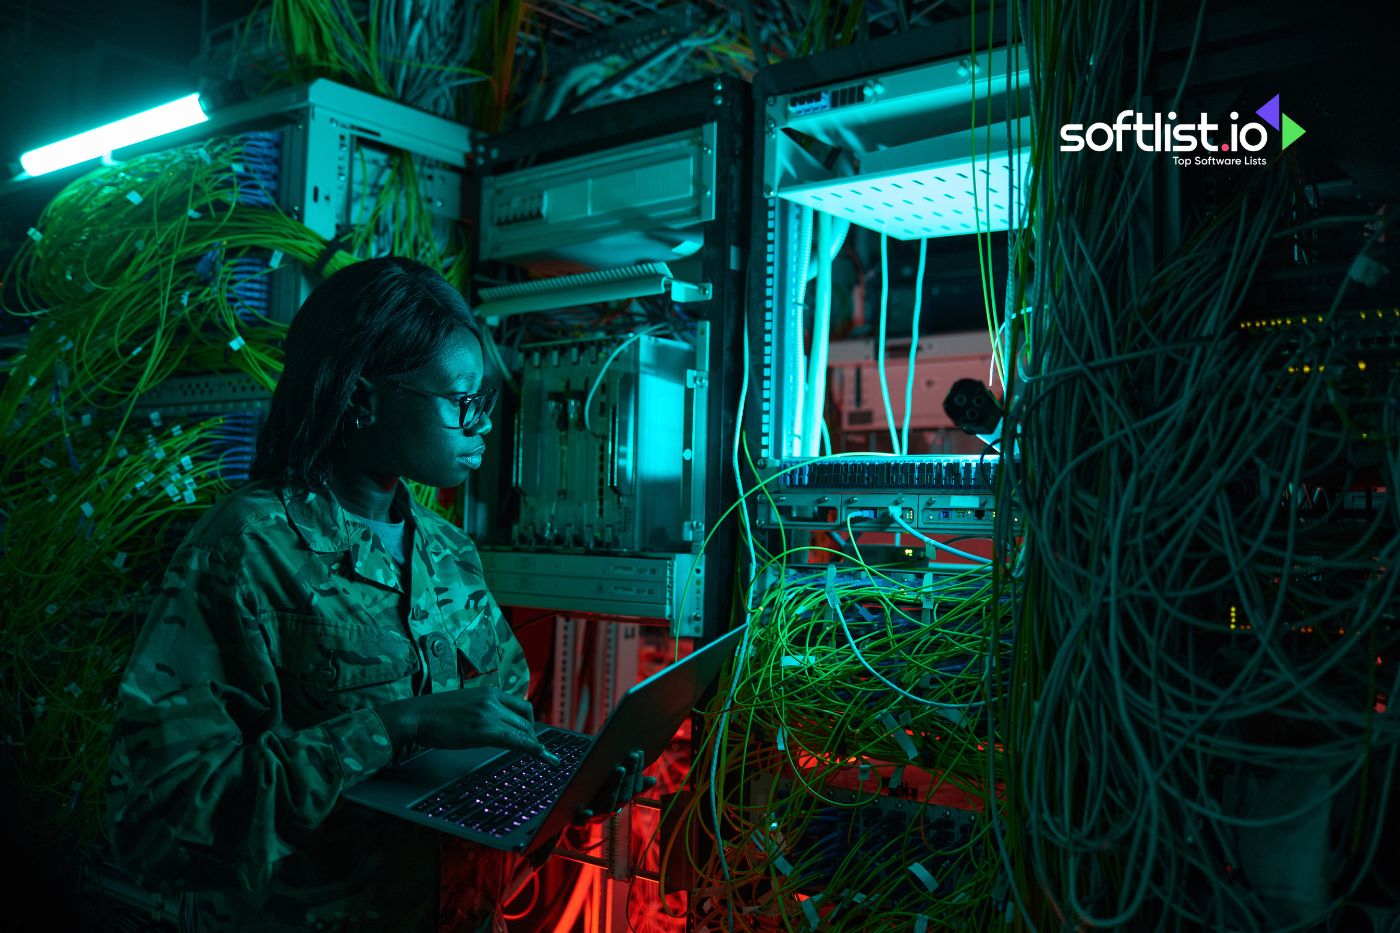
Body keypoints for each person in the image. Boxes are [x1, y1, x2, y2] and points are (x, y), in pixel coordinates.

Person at [106, 256, 652, 932]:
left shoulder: (448, 552)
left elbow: (496, 730)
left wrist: (568, 785)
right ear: (364, 397)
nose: (483, 424)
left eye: (486, 401)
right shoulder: (247, 548)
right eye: (463, 402)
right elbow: (158, 819)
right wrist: (396, 728)